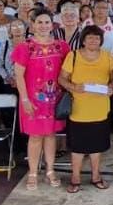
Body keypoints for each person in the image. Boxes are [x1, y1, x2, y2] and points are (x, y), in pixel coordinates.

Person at [12, 10, 70, 190]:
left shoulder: (62, 46)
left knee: (51, 135)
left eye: (47, 22)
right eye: (40, 22)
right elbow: (19, 76)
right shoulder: (24, 47)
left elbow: (69, 71)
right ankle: (33, 172)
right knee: (35, 136)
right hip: (32, 101)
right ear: (32, 25)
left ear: (52, 25)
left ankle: (50, 170)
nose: (44, 26)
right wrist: (24, 100)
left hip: (55, 100)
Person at [58, 26, 113, 193]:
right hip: (78, 109)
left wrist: (110, 87)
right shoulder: (73, 56)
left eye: (97, 38)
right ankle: (75, 178)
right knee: (77, 148)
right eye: (89, 38)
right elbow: (61, 78)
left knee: (96, 147)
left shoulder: (107, 56)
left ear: (101, 41)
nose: (93, 41)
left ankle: (96, 176)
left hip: (100, 108)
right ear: (83, 40)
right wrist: (74, 87)